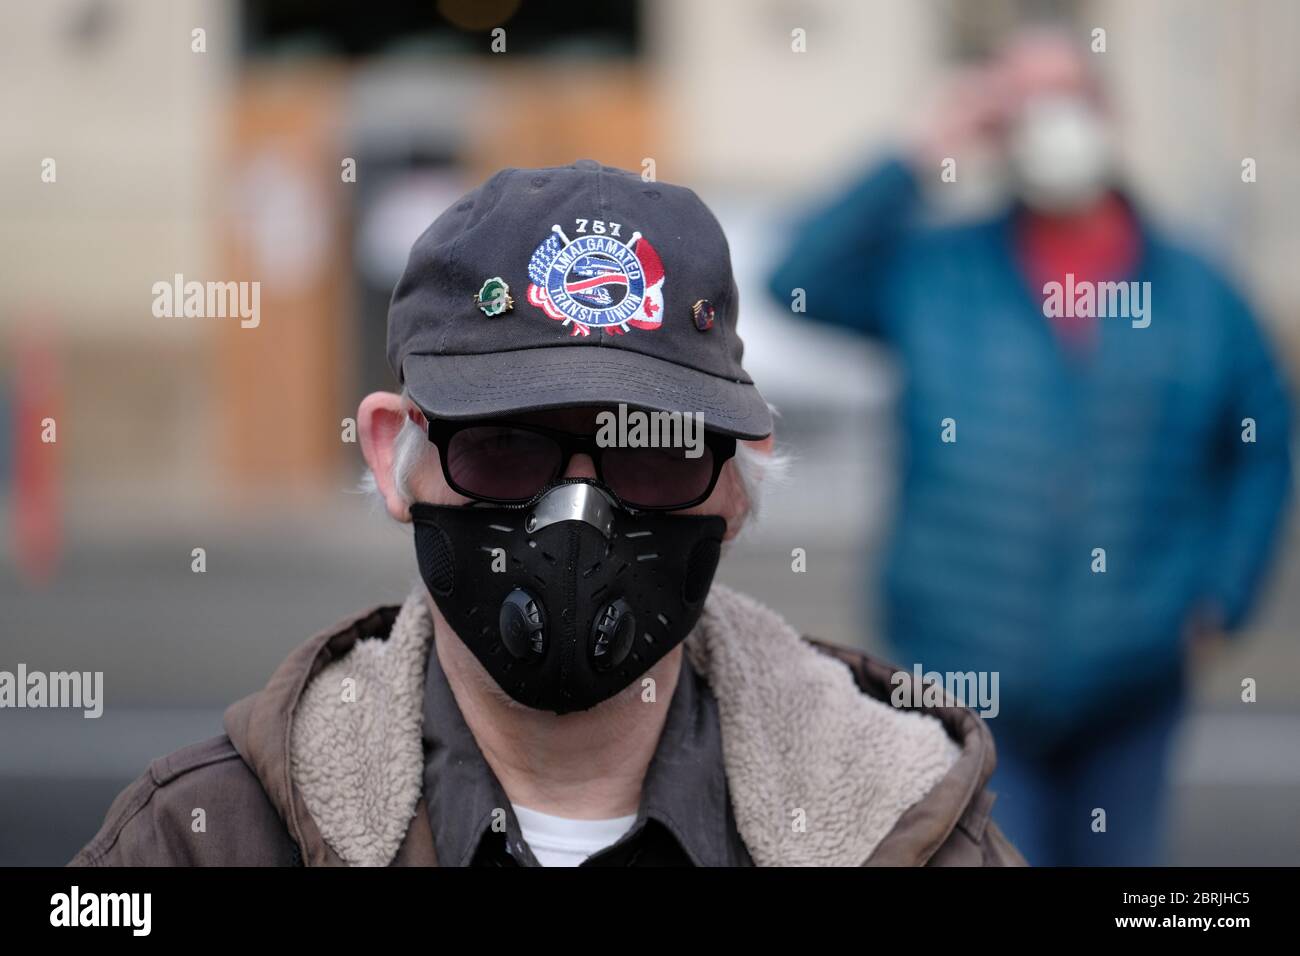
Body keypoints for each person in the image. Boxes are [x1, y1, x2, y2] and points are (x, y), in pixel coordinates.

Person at [71, 160, 1023, 867]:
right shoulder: (205, 842)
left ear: (740, 480)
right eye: (504, 447)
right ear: (391, 457)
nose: (578, 517)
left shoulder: (913, 836)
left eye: (651, 452)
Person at [767, 32, 1293, 866]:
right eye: (1024, 102)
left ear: (1107, 112)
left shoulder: (1196, 289)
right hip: (964, 672)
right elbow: (797, 277)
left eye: (1067, 96)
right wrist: (918, 150)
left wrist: (1221, 595)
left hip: (1134, 677)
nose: (1051, 122)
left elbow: (1262, 443)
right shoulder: (938, 271)